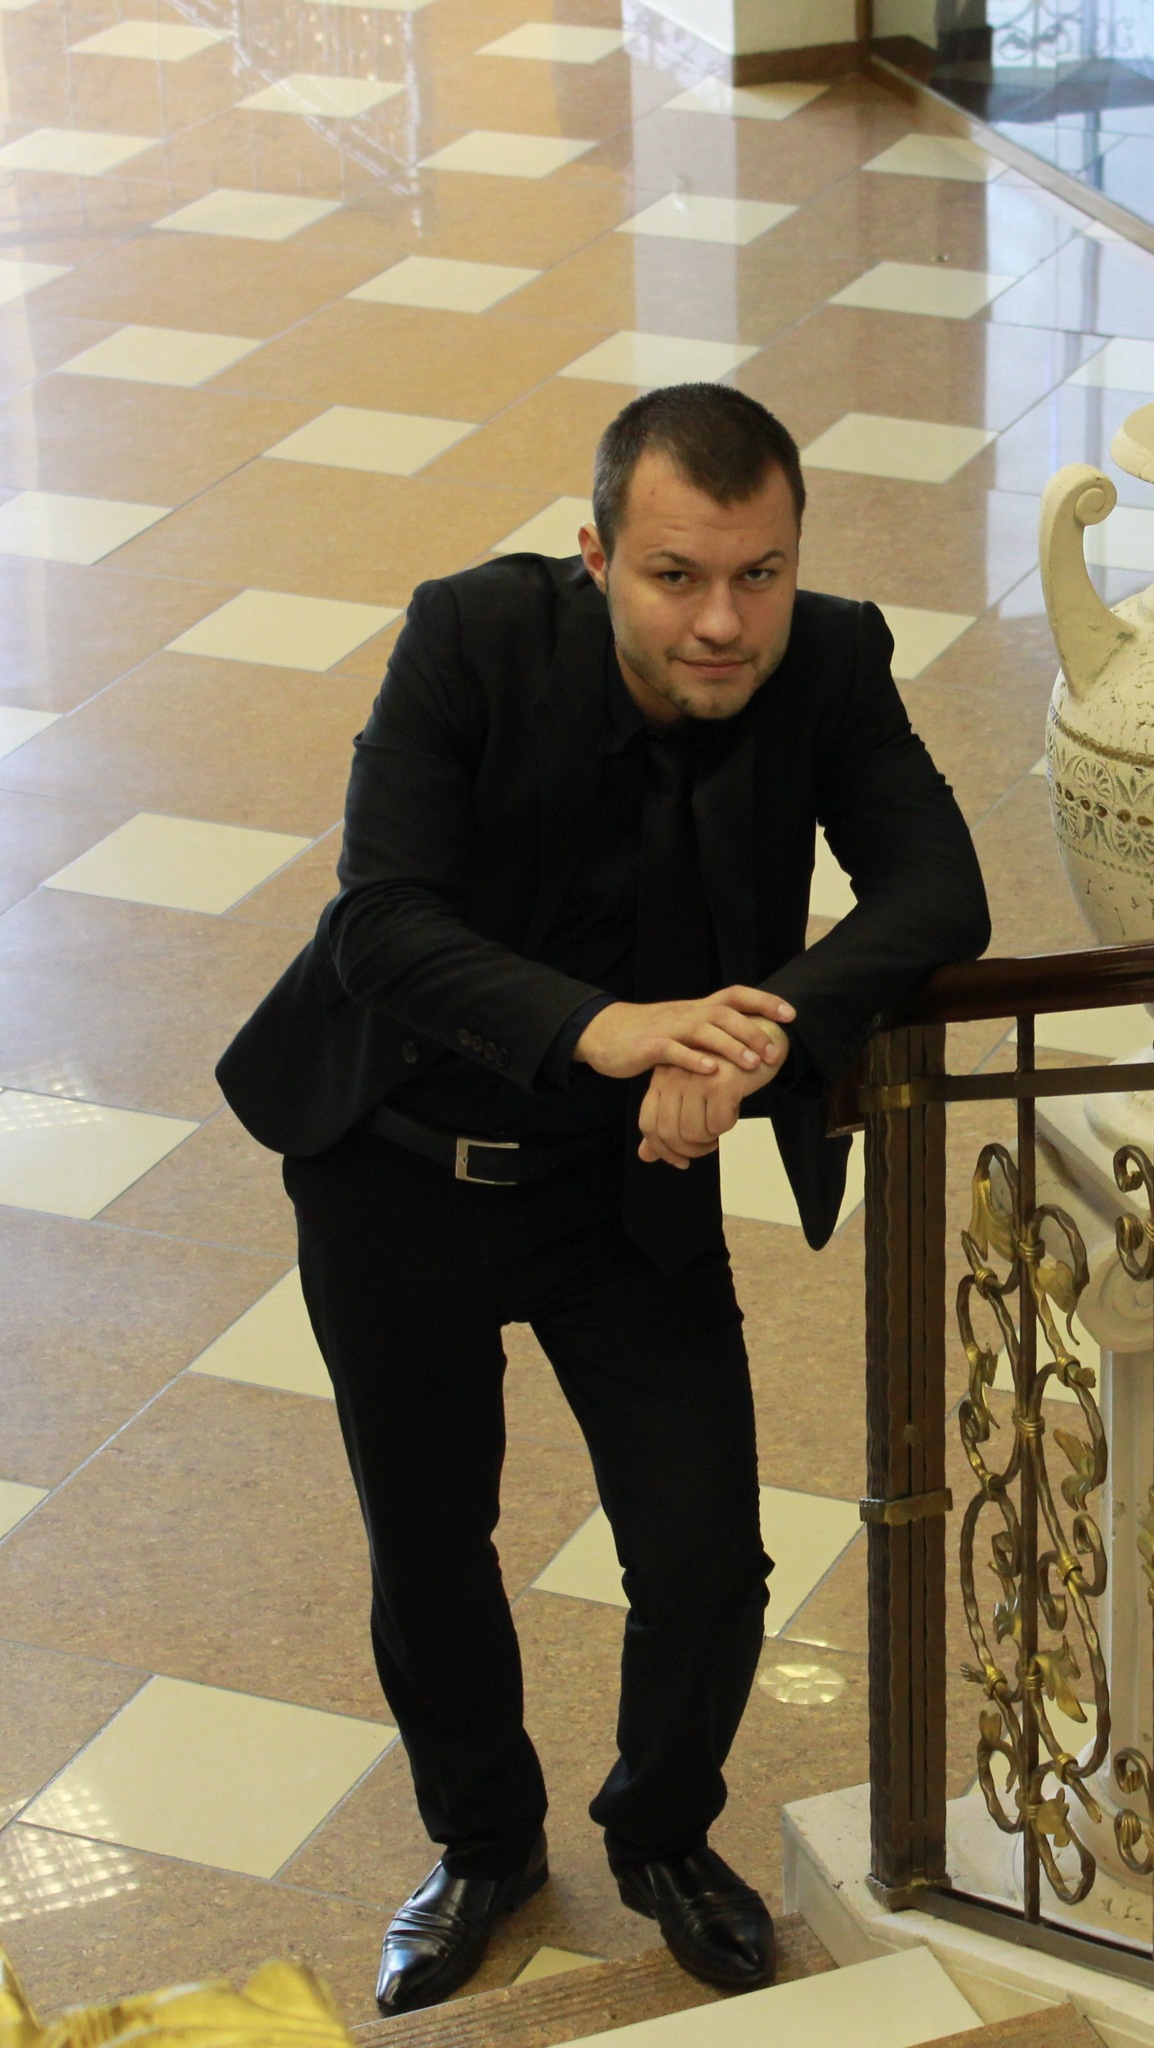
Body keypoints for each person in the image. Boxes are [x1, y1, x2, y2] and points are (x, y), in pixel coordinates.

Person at [217, 383, 989, 2017]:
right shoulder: (468, 638)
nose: (722, 622)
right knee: (431, 1545)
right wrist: (609, 1027)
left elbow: (936, 890)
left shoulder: (828, 658)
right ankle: (483, 1845)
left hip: (624, 1185)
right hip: (397, 1170)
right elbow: (380, 923)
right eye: (674, 576)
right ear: (594, 556)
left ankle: (660, 1833)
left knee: (705, 1559)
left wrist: (752, 1034)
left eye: (759, 575)